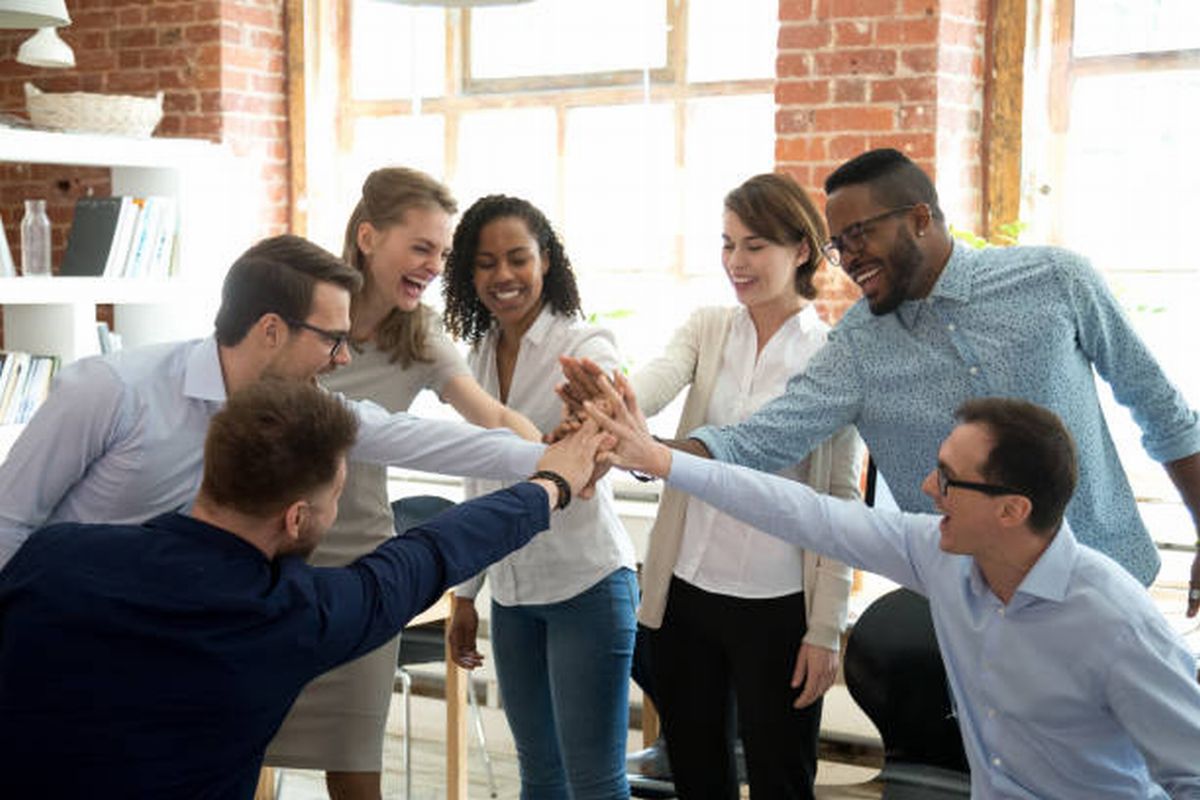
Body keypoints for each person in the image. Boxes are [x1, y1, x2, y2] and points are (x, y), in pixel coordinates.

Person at [562, 148, 1200, 613]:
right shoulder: (858, 347)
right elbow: (758, 443)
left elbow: (1161, 409)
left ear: (920, 218)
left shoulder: (1058, 282)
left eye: (860, 234)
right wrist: (649, 453)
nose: (849, 259)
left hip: (1111, 584)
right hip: (979, 611)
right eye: (839, 245)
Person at [0, 378, 609, 799]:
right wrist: (551, 484)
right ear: (295, 518)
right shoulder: (287, 618)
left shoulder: (53, 555)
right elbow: (428, 553)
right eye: (335, 498)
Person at [587, 383, 1200, 799]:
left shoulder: (1117, 623)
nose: (929, 487)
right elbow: (804, 513)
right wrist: (663, 460)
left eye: (951, 479)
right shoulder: (942, 556)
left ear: (1013, 510)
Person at [0, 233, 547, 573]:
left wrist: (546, 461)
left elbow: (412, 438)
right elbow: (7, 522)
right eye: (332, 339)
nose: (342, 360)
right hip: (69, 636)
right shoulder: (109, 389)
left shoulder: (293, 408)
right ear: (269, 330)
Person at [265, 168, 541, 800]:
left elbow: (491, 416)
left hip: (362, 571)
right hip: (276, 566)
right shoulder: (296, 315)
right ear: (367, 236)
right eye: (421, 248)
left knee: (357, 771)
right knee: (245, 751)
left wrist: (558, 458)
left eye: (443, 254)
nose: (434, 266)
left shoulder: (420, 335)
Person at [623, 173, 862, 798]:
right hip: (687, 593)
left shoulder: (831, 356)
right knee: (698, 777)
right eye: (728, 244)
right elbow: (652, 384)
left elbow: (841, 501)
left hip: (780, 606)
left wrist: (825, 629)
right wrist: (615, 405)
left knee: (782, 778)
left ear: (801, 250)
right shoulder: (708, 329)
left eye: (754, 245)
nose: (736, 262)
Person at [442, 195, 637, 799]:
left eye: (518, 258)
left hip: (586, 587)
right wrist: (465, 594)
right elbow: (479, 481)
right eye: (486, 263)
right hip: (512, 595)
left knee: (595, 784)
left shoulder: (585, 344)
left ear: (545, 261)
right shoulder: (472, 359)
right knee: (541, 779)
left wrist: (591, 432)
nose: (503, 276)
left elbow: (604, 423)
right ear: (468, 275)